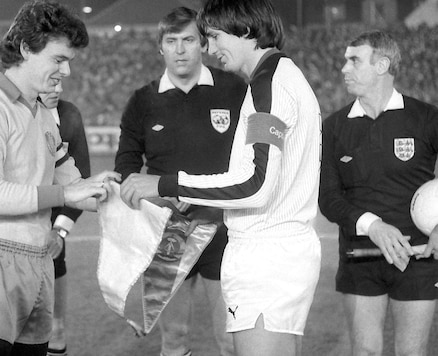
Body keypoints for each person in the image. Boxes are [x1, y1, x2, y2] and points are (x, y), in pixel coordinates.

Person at [119, 0, 322, 355]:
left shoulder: (268, 87)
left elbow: (254, 185)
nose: (209, 48)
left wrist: (166, 183)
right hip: (276, 253)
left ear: (243, 29)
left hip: (267, 257)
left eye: (212, 37)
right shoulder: (276, 78)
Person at [0, 1, 119, 355]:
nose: (67, 71)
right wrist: (64, 194)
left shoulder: (41, 112)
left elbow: (71, 178)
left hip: (40, 261)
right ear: (26, 48)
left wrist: (113, 193)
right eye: (59, 59)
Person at [114, 6, 246, 356]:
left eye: (188, 39)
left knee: (232, 341)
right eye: (171, 41)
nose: (180, 49)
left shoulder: (234, 89)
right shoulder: (142, 101)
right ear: (160, 47)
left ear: (202, 43)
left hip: (227, 234)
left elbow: (253, 155)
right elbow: (126, 164)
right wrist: (155, 196)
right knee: (174, 340)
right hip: (168, 237)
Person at [0, 82, 91, 356]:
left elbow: (79, 182)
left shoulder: (63, 117)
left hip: (46, 244)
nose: (60, 82)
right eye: (56, 64)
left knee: (50, 332)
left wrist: (58, 230)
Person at [319, 30, 438, 356]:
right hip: (360, 257)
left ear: (383, 64)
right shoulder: (333, 127)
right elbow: (328, 199)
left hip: (418, 258)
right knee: (365, 352)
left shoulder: (426, 118)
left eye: (354, 60)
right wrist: (373, 225)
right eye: (345, 60)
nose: (344, 68)